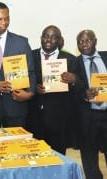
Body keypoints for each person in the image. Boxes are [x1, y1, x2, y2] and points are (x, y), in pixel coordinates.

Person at [75, 29, 107, 179]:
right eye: (80, 41)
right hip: (87, 117)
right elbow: (72, 90)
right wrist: (84, 94)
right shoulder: (74, 63)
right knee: (89, 159)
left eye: (88, 40)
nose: (84, 44)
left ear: (95, 41)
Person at [29, 25, 78, 154]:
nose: (48, 40)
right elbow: (24, 81)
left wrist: (73, 81)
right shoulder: (29, 56)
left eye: (53, 37)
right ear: (41, 38)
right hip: (33, 118)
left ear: (59, 40)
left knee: (58, 157)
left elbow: (78, 89)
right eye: (45, 36)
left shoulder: (71, 59)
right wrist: (34, 88)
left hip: (59, 119)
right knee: (35, 157)